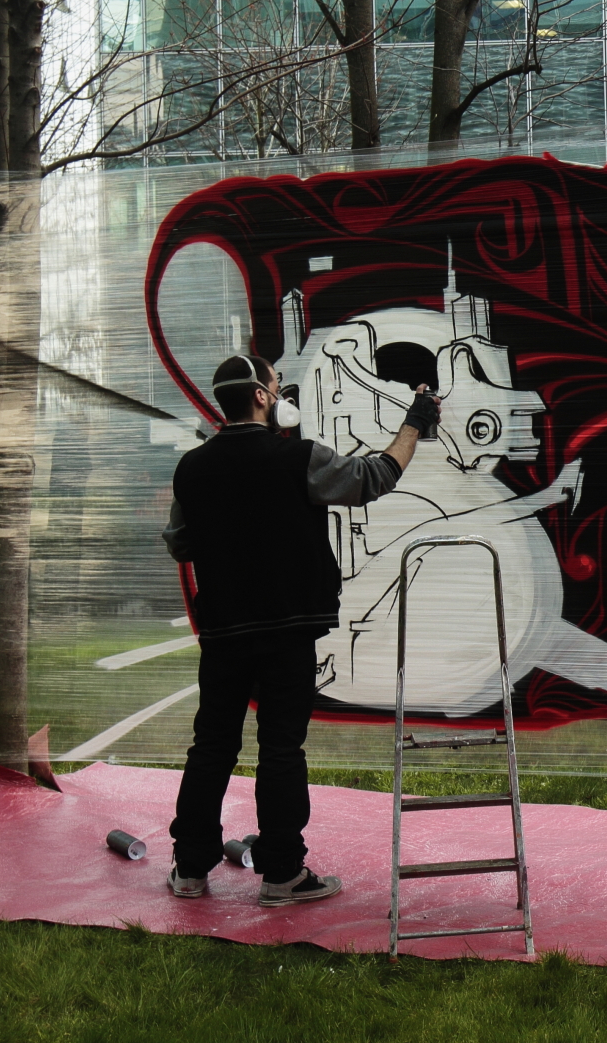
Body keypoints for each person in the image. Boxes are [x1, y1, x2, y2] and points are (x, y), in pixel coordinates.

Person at [161, 353, 440, 905]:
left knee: (211, 746)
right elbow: (377, 477)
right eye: (276, 384)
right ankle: (282, 874)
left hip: (223, 633)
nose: (281, 393)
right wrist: (415, 420)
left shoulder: (191, 468)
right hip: (288, 631)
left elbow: (181, 544)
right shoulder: (300, 458)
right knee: (281, 748)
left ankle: (190, 869)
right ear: (261, 396)